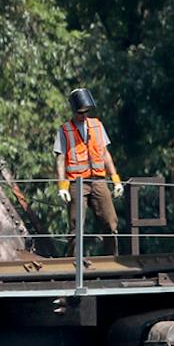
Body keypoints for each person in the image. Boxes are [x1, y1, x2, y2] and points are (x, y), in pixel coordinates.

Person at [55, 87, 125, 249]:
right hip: (76, 183)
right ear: (74, 111)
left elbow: (105, 154)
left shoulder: (97, 125)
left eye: (86, 111)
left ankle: (111, 260)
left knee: (111, 223)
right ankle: (72, 263)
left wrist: (116, 180)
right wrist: (62, 186)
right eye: (80, 112)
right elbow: (60, 159)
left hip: (99, 181)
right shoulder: (64, 130)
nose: (83, 115)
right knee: (76, 226)